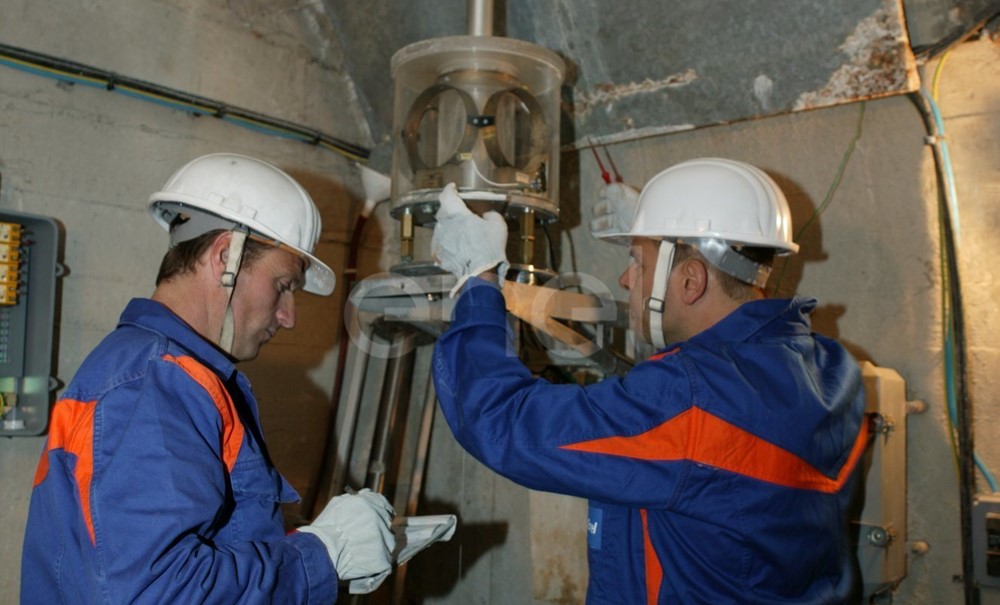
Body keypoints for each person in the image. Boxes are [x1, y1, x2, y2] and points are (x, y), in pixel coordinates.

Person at [430, 157, 869, 604]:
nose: (624, 279)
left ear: (691, 280)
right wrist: (663, 245)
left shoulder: (687, 404)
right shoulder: (836, 372)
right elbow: (712, 374)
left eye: (636, 263)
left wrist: (478, 281)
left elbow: (500, 420)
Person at [21, 153, 395, 604]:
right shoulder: (154, 386)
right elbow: (161, 592)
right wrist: (320, 557)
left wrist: (315, 546)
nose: (288, 316)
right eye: (283, 286)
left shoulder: (158, 374)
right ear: (226, 257)